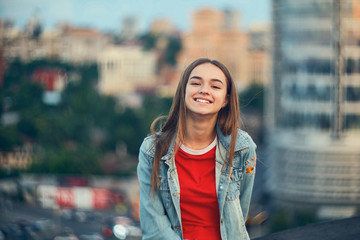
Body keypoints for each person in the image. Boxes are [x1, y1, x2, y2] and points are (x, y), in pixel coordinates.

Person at [137, 58, 257, 240]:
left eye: (215, 86)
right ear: (183, 91)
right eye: (195, 83)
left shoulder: (242, 148)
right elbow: (154, 227)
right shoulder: (152, 150)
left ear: (225, 100)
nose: (204, 90)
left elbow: (239, 212)